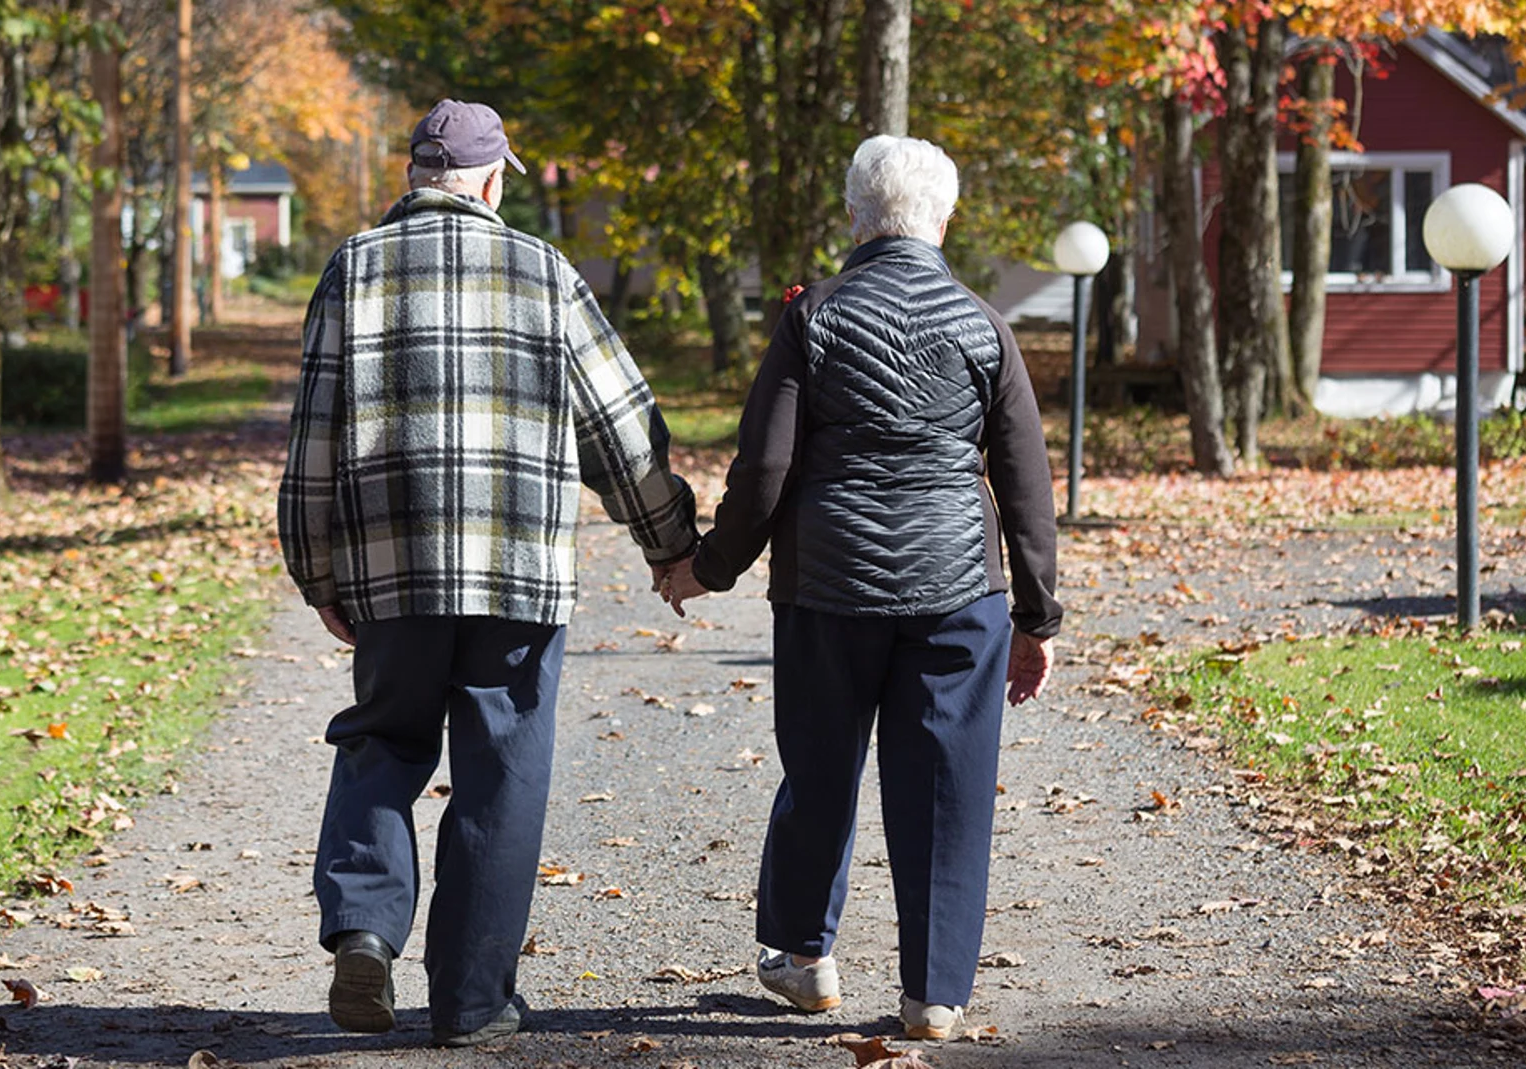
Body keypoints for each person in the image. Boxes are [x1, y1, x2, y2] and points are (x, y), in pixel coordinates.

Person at [278, 98, 698, 1048]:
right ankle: (471, 1003)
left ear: (412, 178)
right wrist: (669, 540)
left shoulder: (357, 266)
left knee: (383, 741)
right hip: (518, 570)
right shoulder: (544, 270)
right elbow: (622, 429)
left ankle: (366, 929)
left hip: (391, 568)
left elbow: (313, 442)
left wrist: (318, 573)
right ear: (496, 179)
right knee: (500, 776)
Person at [658, 134, 1060, 1041]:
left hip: (826, 591)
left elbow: (764, 469)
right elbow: (1026, 484)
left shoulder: (814, 318)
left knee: (821, 768)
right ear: (945, 220)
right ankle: (937, 995)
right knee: (948, 788)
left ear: (853, 215)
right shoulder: (982, 325)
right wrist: (1037, 616)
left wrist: (708, 566)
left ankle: (805, 960)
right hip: (959, 591)